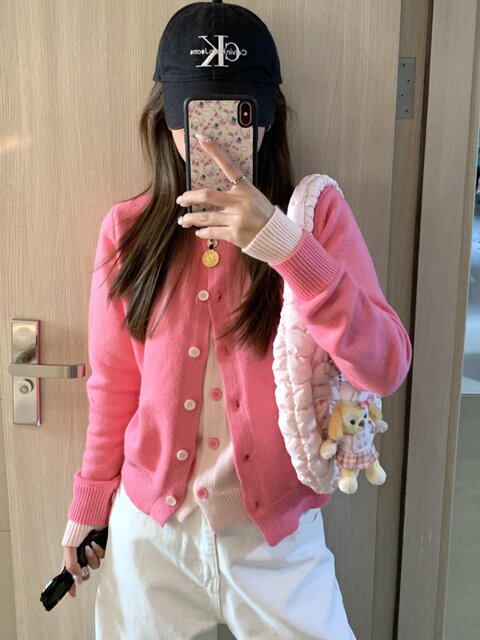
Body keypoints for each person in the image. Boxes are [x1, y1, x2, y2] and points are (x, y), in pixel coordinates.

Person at [61, 1, 412, 638]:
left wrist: (285, 247)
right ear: (166, 117)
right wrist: (89, 502)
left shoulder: (315, 219)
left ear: (268, 117)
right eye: (197, 116)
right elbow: (113, 388)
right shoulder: (128, 232)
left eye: (237, 115)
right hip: (151, 535)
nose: (215, 139)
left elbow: (386, 364)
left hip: (277, 536)